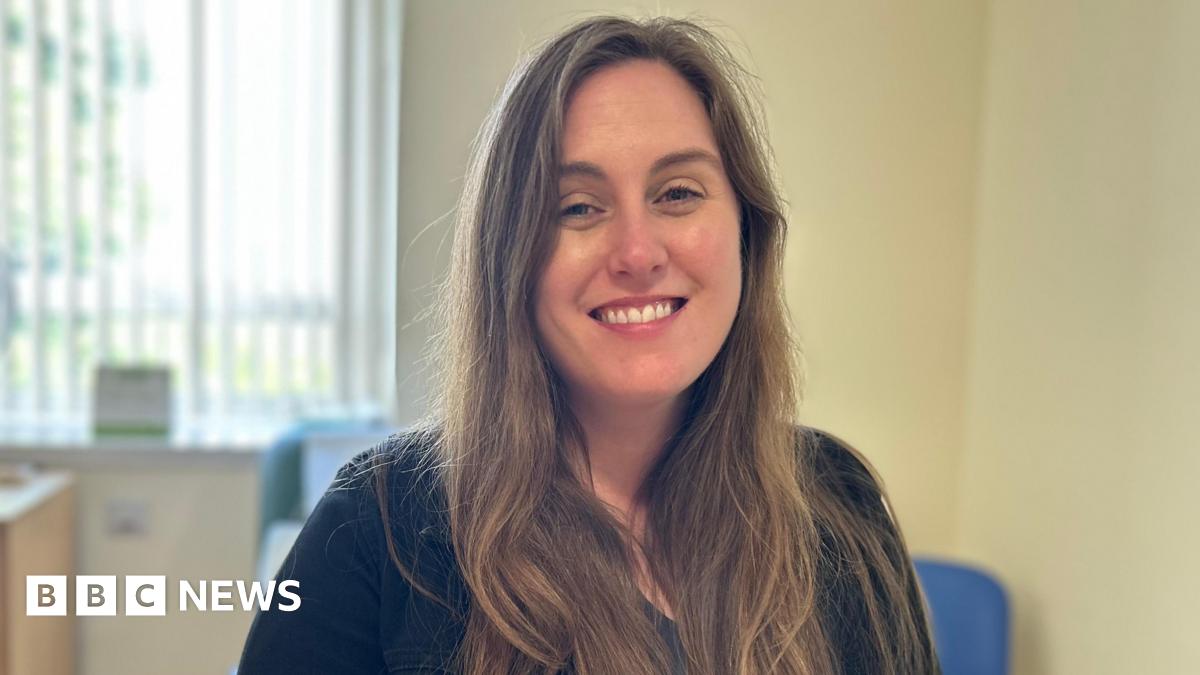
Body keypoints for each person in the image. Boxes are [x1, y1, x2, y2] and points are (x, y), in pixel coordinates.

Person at [238, 15, 939, 675]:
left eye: (678, 193)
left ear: (747, 233)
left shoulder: (839, 505)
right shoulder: (375, 533)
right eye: (578, 207)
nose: (637, 252)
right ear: (509, 259)